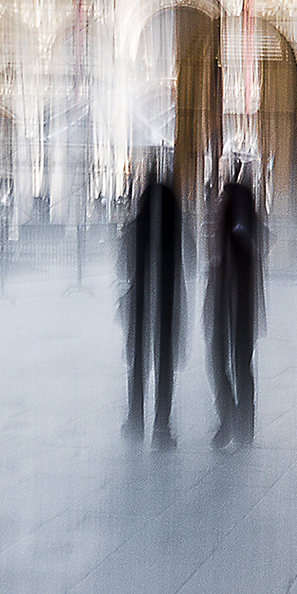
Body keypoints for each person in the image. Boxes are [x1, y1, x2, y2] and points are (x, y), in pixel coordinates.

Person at [122, 151, 186, 448]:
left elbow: (122, 265)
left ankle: (135, 419)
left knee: (138, 362)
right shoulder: (175, 224)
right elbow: (193, 258)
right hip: (167, 301)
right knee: (164, 363)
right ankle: (161, 428)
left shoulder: (134, 227)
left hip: (139, 300)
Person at [207, 156, 264, 448]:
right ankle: (241, 423)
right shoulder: (242, 239)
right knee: (237, 364)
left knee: (226, 363)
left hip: (231, 309)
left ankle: (234, 421)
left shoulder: (236, 237)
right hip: (234, 309)